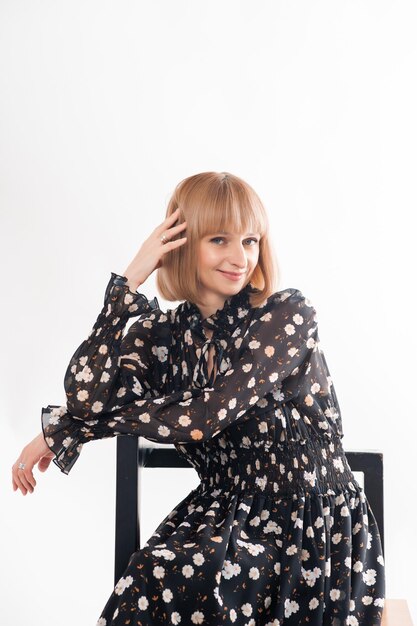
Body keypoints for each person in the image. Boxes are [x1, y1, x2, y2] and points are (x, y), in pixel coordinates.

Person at [12, 171, 385, 625]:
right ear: (179, 243)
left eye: (250, 241)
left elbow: (203, 417)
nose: (240, 257)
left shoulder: (285, 315)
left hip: (309, 517)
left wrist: (73, 431)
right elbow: (87, 396)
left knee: (185, 577)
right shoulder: (163, 337)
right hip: (221, 510)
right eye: (220, 240)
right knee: (149, 579)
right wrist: (126, 285)